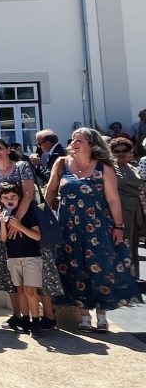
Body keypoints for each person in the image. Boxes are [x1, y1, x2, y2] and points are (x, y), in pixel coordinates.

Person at [45, 128, 141, 331]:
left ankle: (102, 315)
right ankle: (84, 316)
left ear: (92, 144)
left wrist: (119, 227)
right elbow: (51, 191)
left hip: (98, 225)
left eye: (79, 140)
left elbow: (113, 200)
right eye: (72, 140)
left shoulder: (103, 167)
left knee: (100, 268)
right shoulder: (61, 163)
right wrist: (45, 219)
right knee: (74, 268)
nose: (74, 143)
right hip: (67, 226)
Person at [0, 137, 61, 331]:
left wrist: (15, 222)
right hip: (7, 223)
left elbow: (28, 194)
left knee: (41, 272)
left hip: (27, 221)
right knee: (10, 273)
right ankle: (19, 315)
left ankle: (49, 316)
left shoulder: (22, 166)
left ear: (8, 150)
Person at [0, 182, 43, 335]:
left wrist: (19, 226)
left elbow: (37, 236)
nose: (10, 199)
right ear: (1, 199)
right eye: (6, 197)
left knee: (30, 291)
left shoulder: (28, 212)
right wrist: (3, 223)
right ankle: (25, 319)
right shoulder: (3, 214)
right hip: (13, 257)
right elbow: (3, 239)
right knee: (20, 290)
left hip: (31, 257)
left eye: (13, 196)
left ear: (19, 197)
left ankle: (36, 321)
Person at [110, 135, 145, 280]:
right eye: (117, 151)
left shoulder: (135, 167)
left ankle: (133, 276)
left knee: (133, 243)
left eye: (125, 149)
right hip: (120, 209)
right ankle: (121, 277)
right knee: (121, 244)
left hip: (136, 210)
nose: (121, 153)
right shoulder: (110, 169)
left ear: (131, 151)